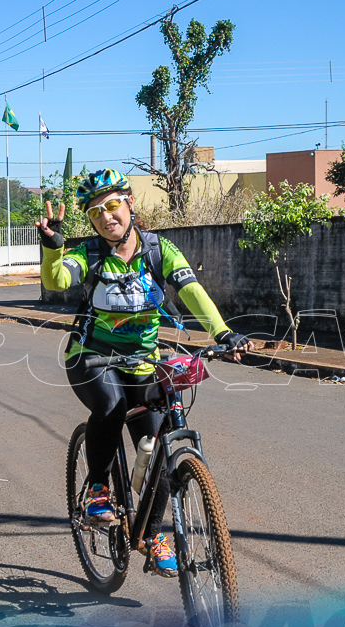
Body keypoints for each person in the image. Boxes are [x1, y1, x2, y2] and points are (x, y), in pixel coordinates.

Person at [36, 168, 251, 578]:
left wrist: (223, 333)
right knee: (111, 406)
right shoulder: (90, 255)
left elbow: (191, 291)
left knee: (158, 446)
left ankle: (152, 535)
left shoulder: (159, 251)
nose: (106, 217)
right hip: (91, 356)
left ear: (129, 203)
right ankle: (98, 490)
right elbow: (56, 278)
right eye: (95, 212)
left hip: (142, 360)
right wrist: (53, 247)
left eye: (112, 205)